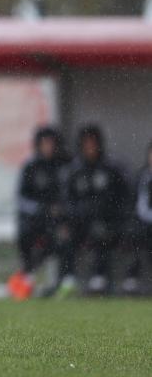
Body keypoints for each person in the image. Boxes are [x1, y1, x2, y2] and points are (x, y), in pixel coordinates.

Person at [60, 124, 130, 295]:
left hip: (107, 221)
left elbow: (123, 198)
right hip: (79, 221)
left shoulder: (112, 169)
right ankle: (68, 278)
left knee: (101, 232)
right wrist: (73, 215)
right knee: (63, 235)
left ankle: (100, 277)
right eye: (86, 143)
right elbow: (66, 200)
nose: (90, 147)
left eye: (93, 143)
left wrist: (112, 216)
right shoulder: (73, 171)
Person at [7, 126, 69, 300]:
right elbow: (21, 198)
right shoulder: (31, 167)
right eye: (45, 143)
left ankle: (63, 283)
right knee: (26, 235)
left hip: (58, 220)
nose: (48, 147)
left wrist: (63, 212)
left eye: (51, 143)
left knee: (63, 239)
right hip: (35, 220)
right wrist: (40, 209)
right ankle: (27, 277)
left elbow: (69, 195)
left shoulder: (64, 166)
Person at [123, 142, 152, 294]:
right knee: (133, 235)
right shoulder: (141, 176)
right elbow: (132, 202)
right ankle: (131, 278)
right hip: (142, 224)